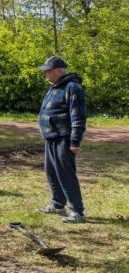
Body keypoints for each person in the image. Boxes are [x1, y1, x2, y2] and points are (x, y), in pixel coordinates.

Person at [36, 56, 87, 224]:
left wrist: (75, 142)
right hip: (51, 138)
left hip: (63, 139)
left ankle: (77, 212)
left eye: (48, 71)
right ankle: (58, 205)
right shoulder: (55, 87)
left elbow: (78, 117)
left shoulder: (72, 87)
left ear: (58, 71)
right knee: (51, 172)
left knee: (66, 174)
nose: (45, 75)